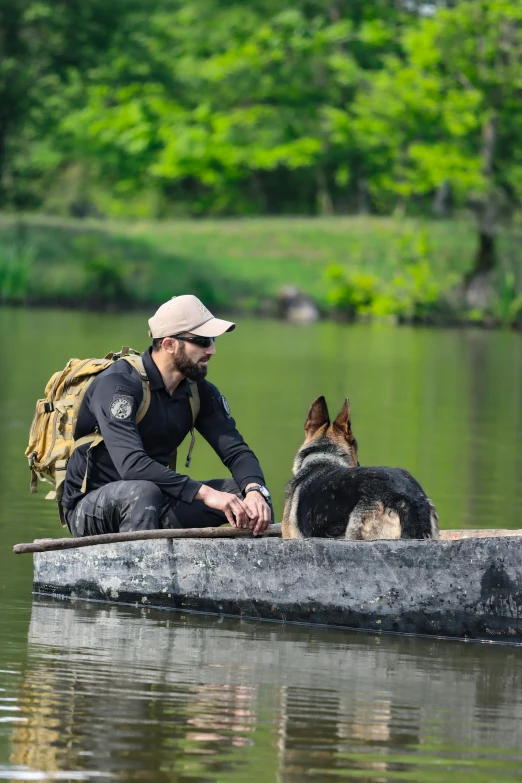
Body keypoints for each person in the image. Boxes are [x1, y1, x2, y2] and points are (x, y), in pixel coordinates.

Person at [62, 295, 273, 537]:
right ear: (169, 344)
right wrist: (206, 493)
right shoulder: (118, 385)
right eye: (202, 341)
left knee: (244, 498)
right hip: (91, 508)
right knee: (143, 491)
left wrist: (255, 489)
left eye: (212, 340)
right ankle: (141, 573)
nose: (212, 350)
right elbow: (132, 465)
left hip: (155, 501)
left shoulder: (198, 392)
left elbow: (237, 452)